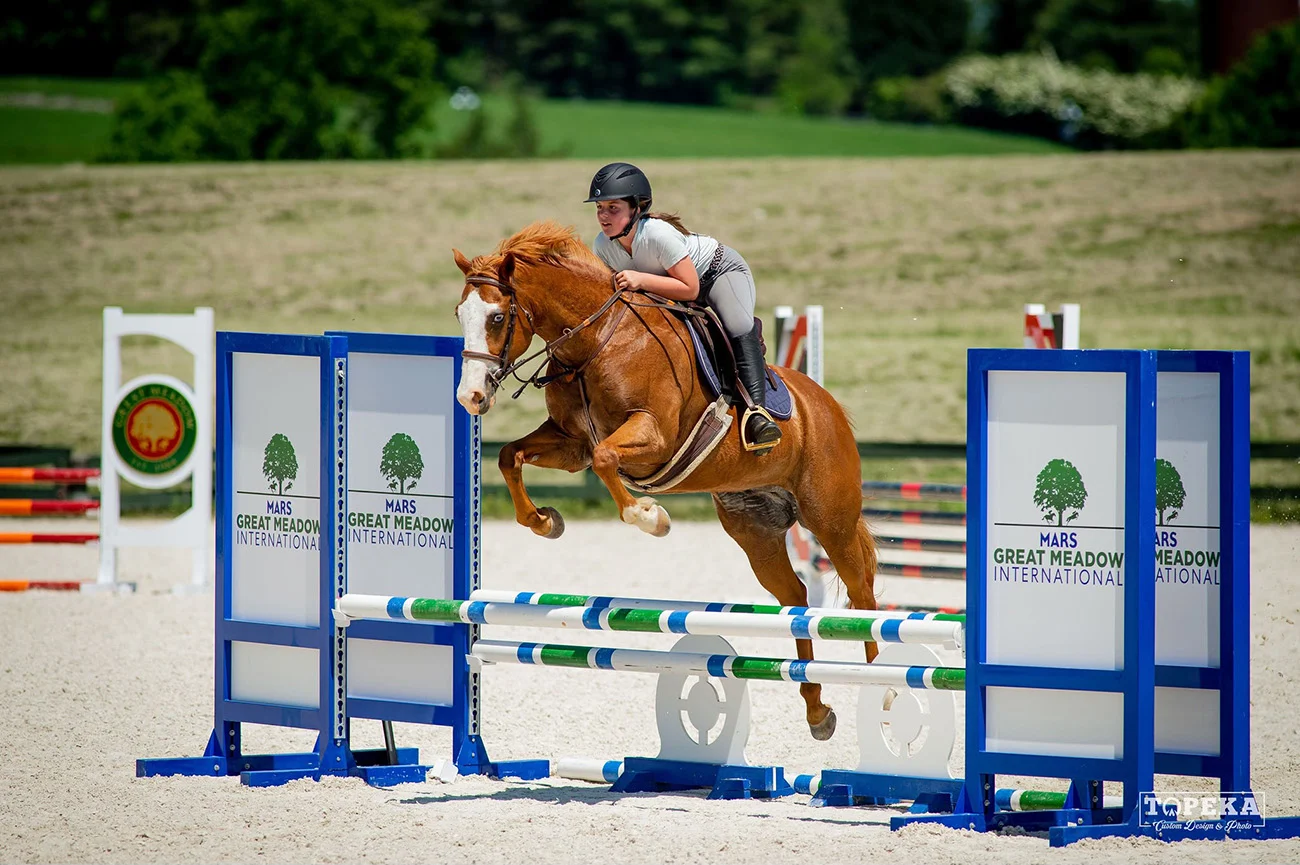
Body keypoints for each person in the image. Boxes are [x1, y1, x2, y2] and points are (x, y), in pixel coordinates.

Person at [584, 161, 781, 453]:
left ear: (637, 207)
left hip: (718, 274)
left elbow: (690, 288)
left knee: (738, 325)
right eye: (600, 208)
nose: (603, 215)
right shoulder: (603, 245)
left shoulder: (657, 235)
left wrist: (640, 278)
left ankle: (757, 414)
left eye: (613, 208)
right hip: (671, 287)